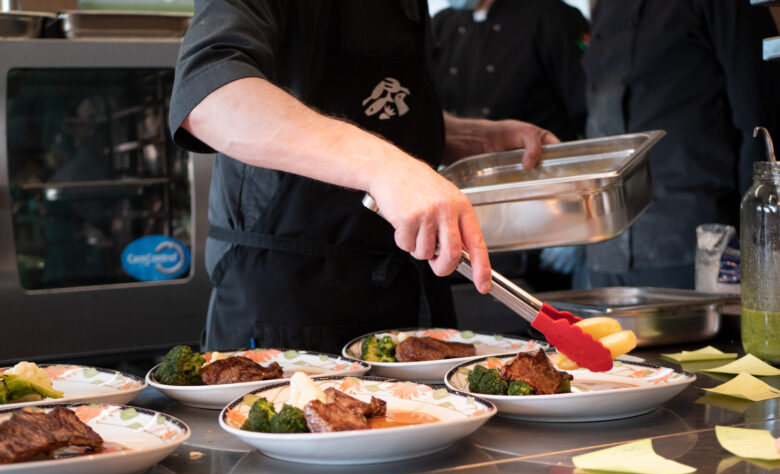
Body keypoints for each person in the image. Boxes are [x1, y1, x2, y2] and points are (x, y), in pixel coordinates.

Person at [168, 0, 557, 353]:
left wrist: (470, 137)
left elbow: (366, 105)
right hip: (293, 302)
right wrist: (387, 168)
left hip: (411, 291)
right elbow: (208, 97)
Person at [579, 0, 780, 289]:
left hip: (701, 248)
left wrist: (756, 243)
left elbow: (760, 119)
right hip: (606, 253)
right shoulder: (605, 7)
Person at [431, 0, 589, 290]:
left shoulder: (553, 18)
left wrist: (580, 219)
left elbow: (591, 121)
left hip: (544, 223)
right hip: (467, 225)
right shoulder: (439, 26)